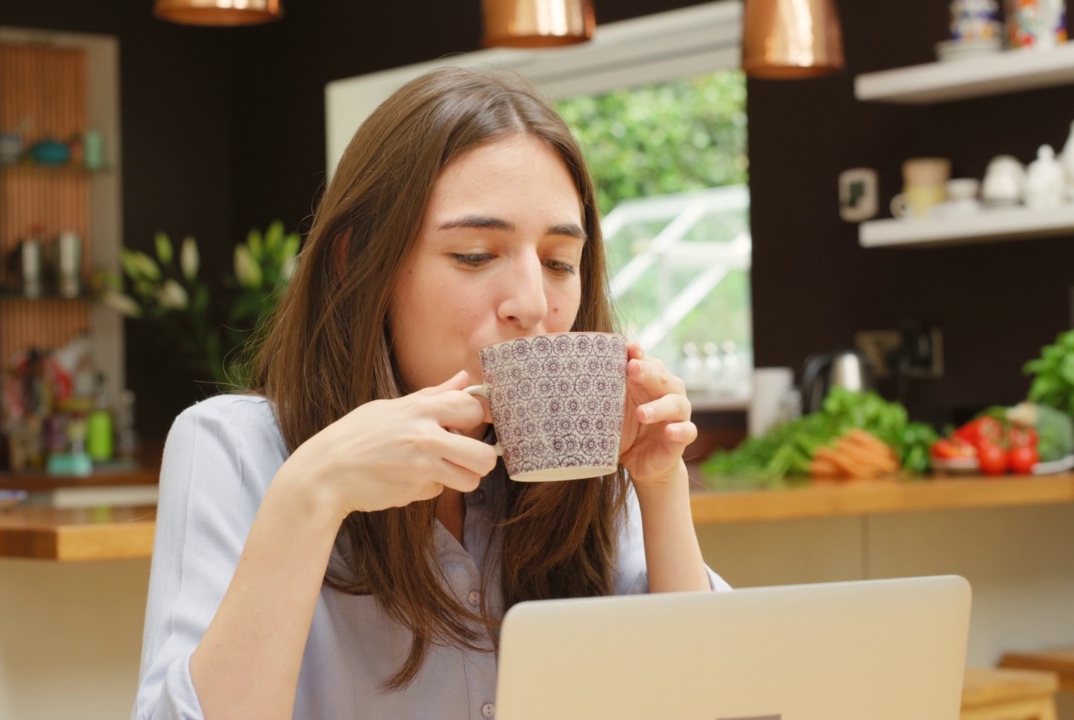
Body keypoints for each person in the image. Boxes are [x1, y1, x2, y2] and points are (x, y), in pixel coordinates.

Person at [132, 66, 729, 720]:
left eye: (560, 262)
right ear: (359, 262)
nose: (532, 304)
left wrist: (659, 485)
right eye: (475, 254)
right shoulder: (235, 449)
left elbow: (710, 702)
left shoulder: (581, 466)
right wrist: (313, 494)